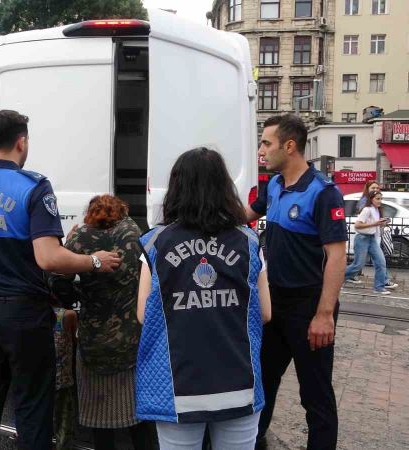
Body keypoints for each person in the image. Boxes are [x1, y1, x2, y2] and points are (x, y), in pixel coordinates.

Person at [0, 109, 121, 450]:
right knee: (32, 407)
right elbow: (49, 258)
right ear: (21, 142)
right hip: (23, 315)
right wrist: (95, 261)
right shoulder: (33, 187)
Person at [135, 147, 271, 449]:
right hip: (239, 381)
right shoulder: (249, 242)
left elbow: (144, 314)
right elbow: (264, 313)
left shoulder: (156, 243)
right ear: (225, 188)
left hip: (178, 386)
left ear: (177, 188)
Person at [245, 114, 347, 450]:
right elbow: (244, 216)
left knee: (315, 394)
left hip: (308, 308)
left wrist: (324, 314)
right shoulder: (273, 185)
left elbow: (336, 257)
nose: (261, 150)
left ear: (289, 146)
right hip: (274, 305)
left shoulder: (323, 192)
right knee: (263, 384)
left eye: (266, 143)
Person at [49, 195, 159, 450]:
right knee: (139, 419)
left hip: (93, 343)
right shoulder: (134, 233)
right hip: (132, 341)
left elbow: (58, 285)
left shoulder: (79, 237)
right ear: (121, 210)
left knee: (100, 421)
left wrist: (82, 295)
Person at [344, 192, 391, 295]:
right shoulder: (366, 210)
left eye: (380, 199)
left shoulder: (376, 210)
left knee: (381, 262)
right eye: (377, 199)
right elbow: (357, 225)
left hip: (372, 238)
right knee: (358, 265)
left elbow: (373, 225)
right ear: (371, 199)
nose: (380, 201)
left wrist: (381, 223)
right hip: (362, 238)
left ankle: (379, 287)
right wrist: (375, 223)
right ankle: (338, 279)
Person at [52, 306, 77, 450]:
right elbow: (76, 339)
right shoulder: (68, 315)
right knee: (63, 423)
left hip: (39, 379)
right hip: (63, 380)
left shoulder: (33, 311)